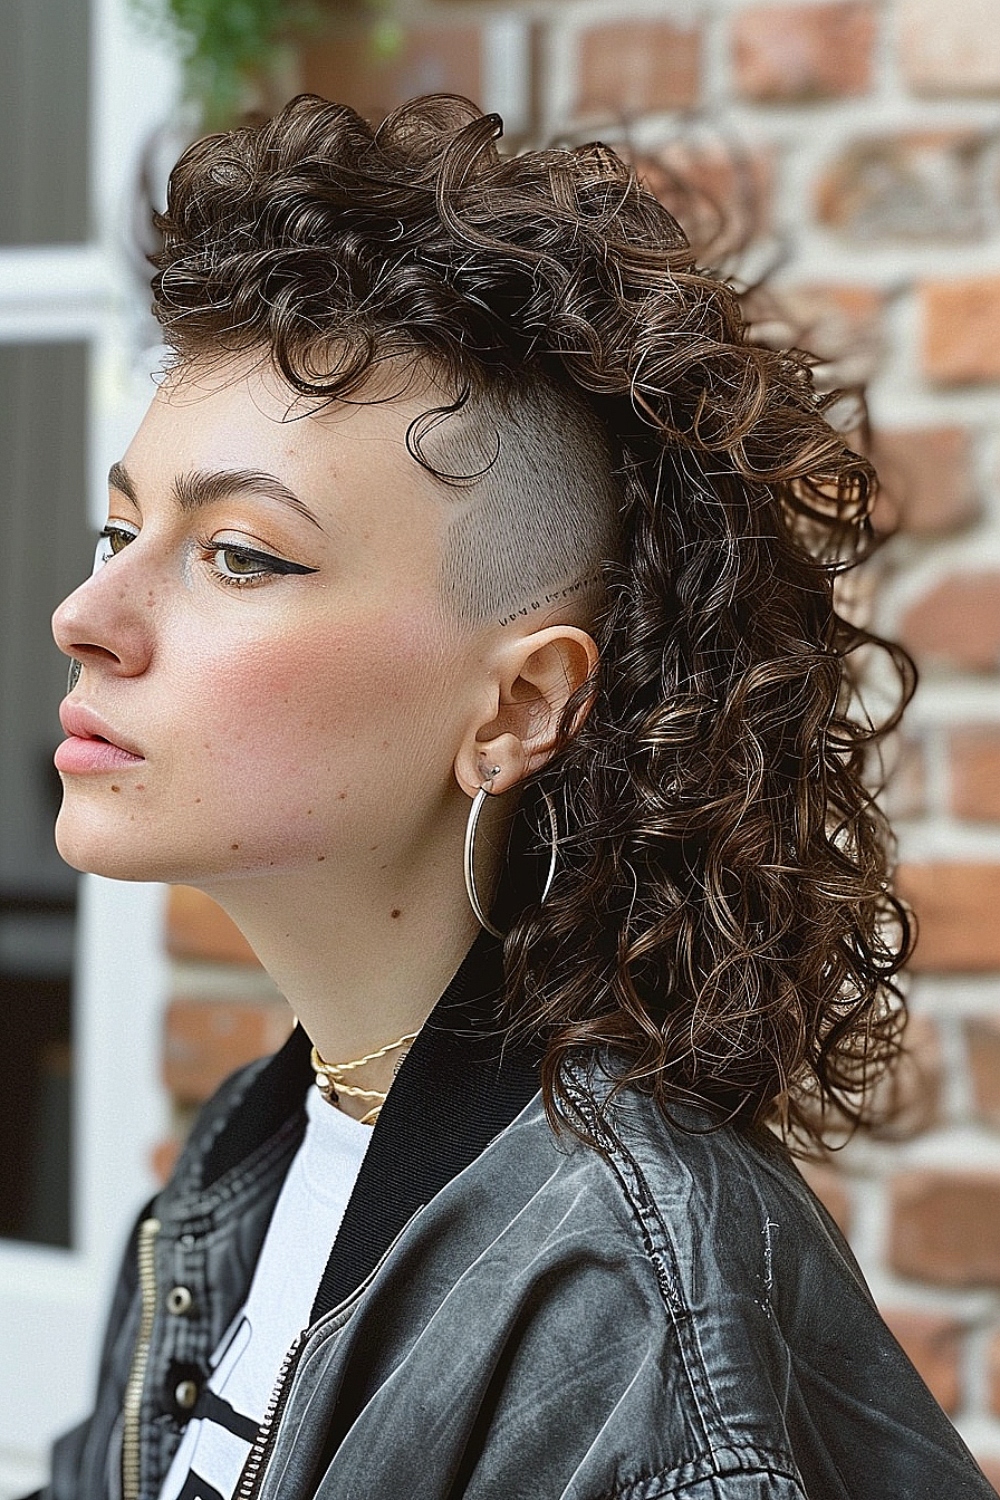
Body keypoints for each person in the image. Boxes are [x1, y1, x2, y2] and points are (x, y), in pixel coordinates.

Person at [38, 92, 997, 1500]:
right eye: (121, 529)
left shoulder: (623, 1296)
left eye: (241, 553)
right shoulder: (259, 1145)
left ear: (518, 708)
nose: (86, 612)